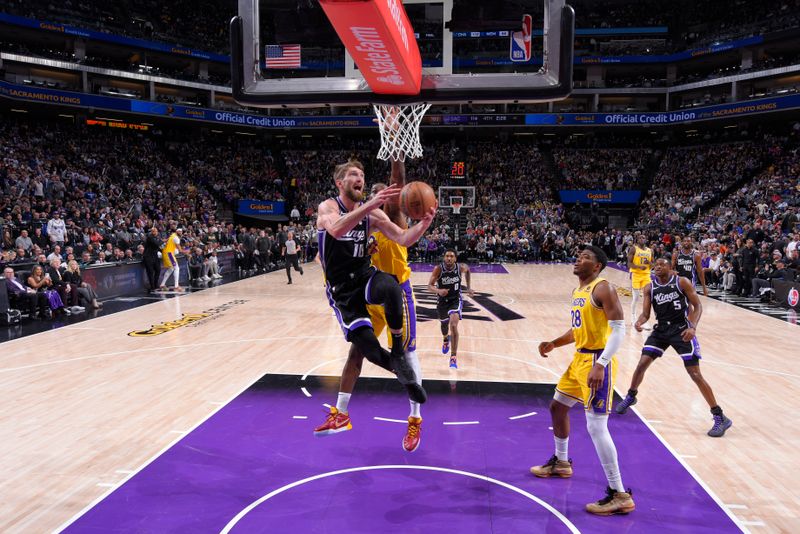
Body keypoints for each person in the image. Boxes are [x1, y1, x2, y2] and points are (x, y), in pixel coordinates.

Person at [313, 158, 435, 438]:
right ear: (340, 183)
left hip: (379, 283)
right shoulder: (329, 208)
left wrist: (426, 222)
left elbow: (404, 237)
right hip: (346, 291)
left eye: (363, 176)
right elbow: (336, 230)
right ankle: (344, 411)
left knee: (391, 288)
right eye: (354, 175)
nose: (361, 180)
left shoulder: (384, 214)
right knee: (363, 349)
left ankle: (412, 409)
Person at [531, 245, 634, 516]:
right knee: (558, 407)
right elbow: (578, 330)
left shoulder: (603, 288)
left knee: (596, 427)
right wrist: (555, 343)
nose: (579, 259)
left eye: (586, 257)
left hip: (597, 361)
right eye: (578, 256)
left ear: (598, 265)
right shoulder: (579, 292)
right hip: (580, 360)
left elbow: (619, 332)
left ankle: (619, 494)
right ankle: (561, 463)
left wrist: (601, 364)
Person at [615, 258, 733, 437]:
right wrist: (639, 321)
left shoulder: (681, 282)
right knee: (641, 364)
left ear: (670, 268)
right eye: (655, 266)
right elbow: (646, 314)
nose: (657, 268)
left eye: (662, 265)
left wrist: (692, 327)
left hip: (681, 330)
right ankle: (631, 395)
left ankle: (719, 416)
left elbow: (698, 305)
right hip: (661, 329)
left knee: (695, 374)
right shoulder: (650, 287)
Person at [428, 250, 473, 369]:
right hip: (442, 301)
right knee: (444, 326)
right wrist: (439, 291)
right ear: (444, 258)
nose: (449, 258)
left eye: (451, 256)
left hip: (455, 300)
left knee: (453, 325)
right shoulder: (438, 269)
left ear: (455, 259)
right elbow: (429, 286)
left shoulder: (460, 268)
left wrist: (468, 288)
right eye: (447, 256)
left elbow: (468, 270)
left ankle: (453, 357)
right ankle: (445, 339)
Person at [627, 234, 653, 329]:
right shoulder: (633, 249)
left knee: (647, 297)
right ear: (637, 240)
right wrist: (638, 267)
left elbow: (652, 265)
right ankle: (633, 317)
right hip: (636, 275)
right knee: (636, 298)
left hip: (646, 275)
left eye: (643, 237)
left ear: (646, 239)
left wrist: (649, 263)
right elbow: (629, 263)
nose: (642, 239)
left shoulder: (650, 250)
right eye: (640, 237)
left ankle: (644, 320)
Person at [158, 227, 184, 292]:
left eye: (181, 231)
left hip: (167, 253)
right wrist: (187, 252)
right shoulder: (176, 238)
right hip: (169, 254)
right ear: (177, 232)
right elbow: (180, 250)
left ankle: (162, 285)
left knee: (172, 268)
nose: (181, 233)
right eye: (180, 231)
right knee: (176, 268)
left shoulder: (172, 236)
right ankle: (176, 286)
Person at [143, 226, 161, 291]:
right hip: (148, 257)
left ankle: (156, 284)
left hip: (155, 256)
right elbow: (156, 244)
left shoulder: (156, 238)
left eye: (156, 231)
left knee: (158, 270)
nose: (155, 232)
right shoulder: (150, 237)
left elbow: (158, 247)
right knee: (150, 272)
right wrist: (163, 241)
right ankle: (152, 286)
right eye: (154, 231)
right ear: (152, 232)